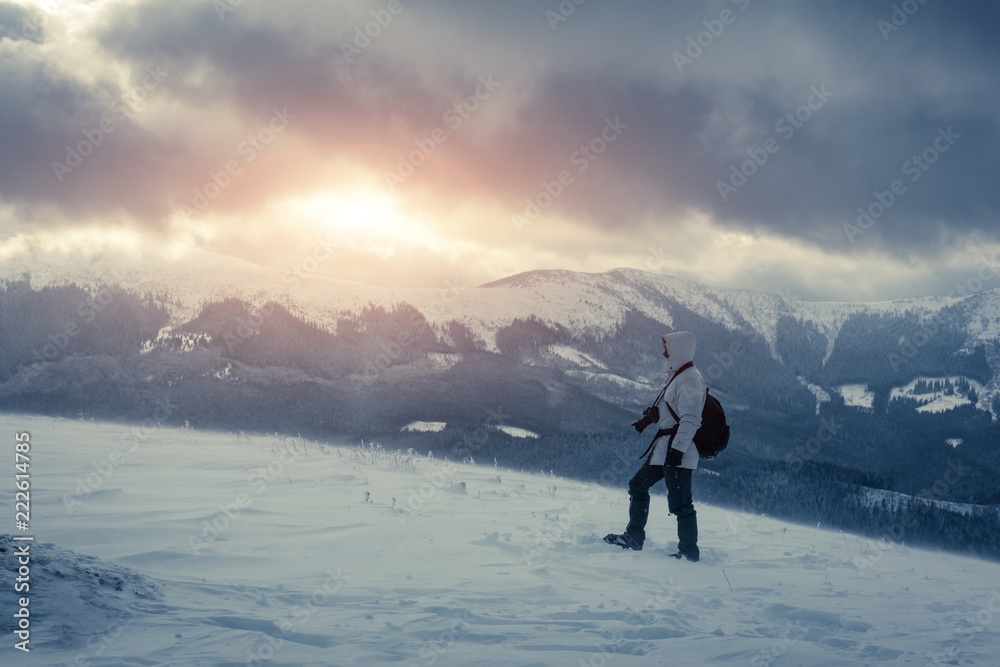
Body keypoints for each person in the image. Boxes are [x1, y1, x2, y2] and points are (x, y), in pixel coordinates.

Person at [604, 331, 706, 561]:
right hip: (665, 450)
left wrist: (677, 451)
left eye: (667, 348)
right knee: (638, 485)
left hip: (678, 451)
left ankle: (689, 553)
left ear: (679, 349)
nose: (664, 352)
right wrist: (650, 419)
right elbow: (673, 410)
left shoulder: (690, 378)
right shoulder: (679, 376)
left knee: (681, 503)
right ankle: (633, 538)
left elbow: (691, 420)